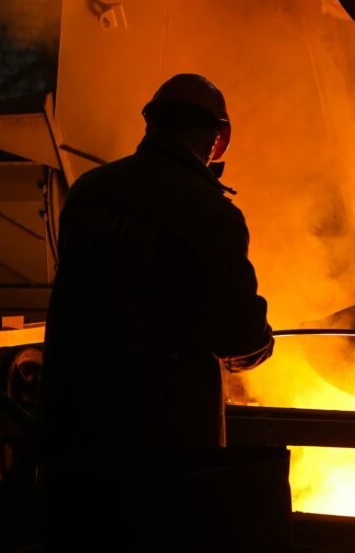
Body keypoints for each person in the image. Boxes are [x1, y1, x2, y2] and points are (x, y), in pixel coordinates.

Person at [39, 74, 279, 550]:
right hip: (162, 453)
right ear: (219, 137)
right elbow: (238, 336)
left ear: (149, 124)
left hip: (71, 432)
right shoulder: (210, 212)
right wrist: (260, 343)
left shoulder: (89, 192)